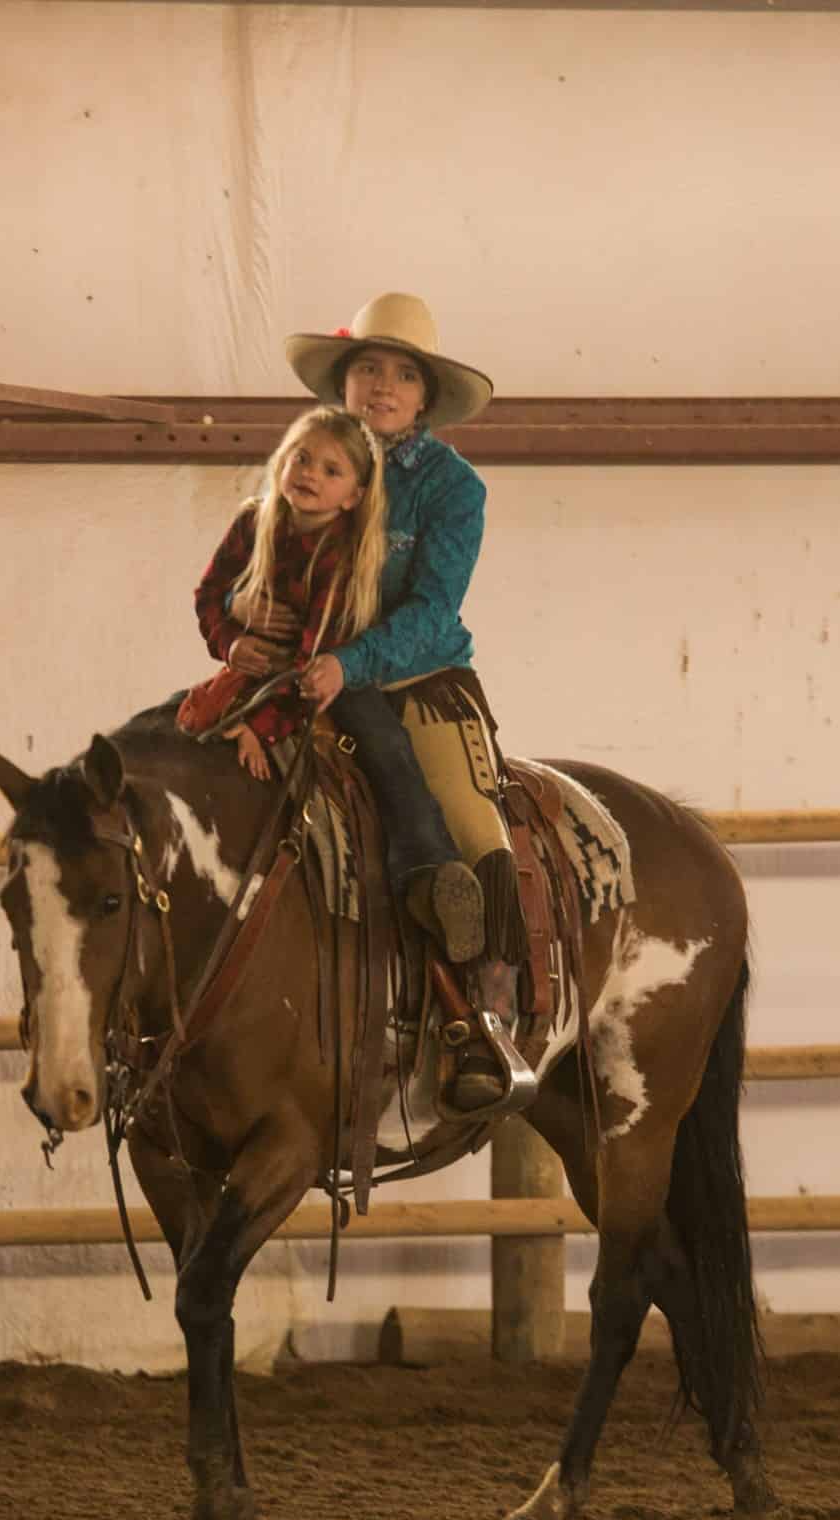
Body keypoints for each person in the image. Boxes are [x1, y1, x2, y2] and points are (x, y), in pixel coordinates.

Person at [258, 291, 518, 1116]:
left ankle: (483, 1020)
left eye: (402, 374)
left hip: (416, 682)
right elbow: (252, 568)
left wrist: (351, 661)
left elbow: (433, 612)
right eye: (368, 367)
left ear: (425, 396)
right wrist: (245, 629)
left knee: (472, 827)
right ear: (343, 380)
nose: (382, 385)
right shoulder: (305, 463)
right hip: (306, 674)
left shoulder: (453, 488)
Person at [179, 406, 390, 784]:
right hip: (248, 674)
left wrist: (259, 729)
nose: (310, 474)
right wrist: (231, 644)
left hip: (305, 691)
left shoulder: (341, 558)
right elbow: (210, 594)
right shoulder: (252, 523)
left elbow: (311, 665)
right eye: (302, 459)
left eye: (331, 470)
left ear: (353, 497)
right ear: (283, 463)